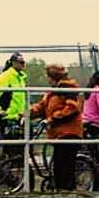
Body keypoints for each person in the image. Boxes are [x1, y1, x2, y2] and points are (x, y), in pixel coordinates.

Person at [35, 63, 85, 191]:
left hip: (69, 132)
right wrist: (25, 114)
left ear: (53, 77)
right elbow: (41, 107)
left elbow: (72, 108)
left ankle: (66, 192)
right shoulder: (53, 91)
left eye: (48, 76)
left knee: (64, 165)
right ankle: (61, 191)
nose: (47, 79)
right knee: (58, 165)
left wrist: (53, 119)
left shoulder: (67, 89)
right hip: (59, 134)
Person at [0, 52, 30, 126]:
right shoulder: (6, 76)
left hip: (18, 118)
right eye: (21, 62)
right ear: (14, 63)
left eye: (24, 62)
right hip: (8, 118)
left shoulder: (20, 78)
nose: (23, 65)